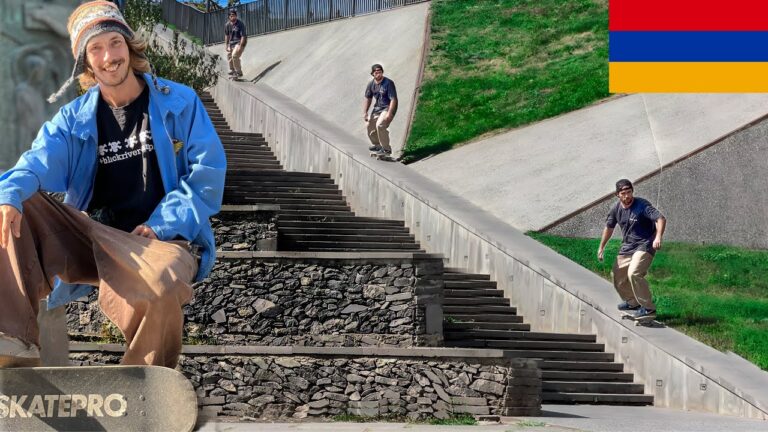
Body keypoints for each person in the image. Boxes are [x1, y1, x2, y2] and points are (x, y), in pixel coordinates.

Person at [0, 1, 225, 368]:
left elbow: (207, 176)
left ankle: (146, 382)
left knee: (162, 283)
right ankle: (10, 343)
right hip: (92, 236)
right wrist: (8, 196)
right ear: (86, 62)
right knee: (12, 205)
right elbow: (35, 163)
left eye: (115, 43)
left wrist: (161, 224)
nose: (109, 57)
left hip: (161, 239)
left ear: (129, 45)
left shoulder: (180, 103)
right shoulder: (73, 119)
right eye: (96, 48)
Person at [597, 179, 666, 320]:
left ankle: (648, 308)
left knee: (634, 273)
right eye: (623, 193)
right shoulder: (615, 209)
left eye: (629, 192)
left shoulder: (642, 205)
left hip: (645, 244)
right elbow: (609, 228)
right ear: (617, 194)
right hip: (628, 246)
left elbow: (660, 218)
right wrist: (601, 247)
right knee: (618, 276)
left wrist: (658, 237)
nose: (627, 196)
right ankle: (632, 302)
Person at [363, 64, 398, 158]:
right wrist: (365, 112)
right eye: (376, 72)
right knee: (369, 126)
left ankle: (386, 149)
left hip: (388, 107)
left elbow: (393, 99)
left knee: (380, 125)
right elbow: (368, 98)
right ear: (373, 74)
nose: (378, 74)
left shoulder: (388, 83)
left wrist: (390, 113)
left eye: (380, 71)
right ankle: (378, 146)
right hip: (378, 108)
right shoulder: (371, 84)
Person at [224, 8, 247, 79]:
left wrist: (241, 46)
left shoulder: (240, 24)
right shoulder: (227, 25)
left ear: (236, 16)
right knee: (229, 57)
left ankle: (238, 72)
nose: (232, 17)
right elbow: (227, 35)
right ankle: (233, 70)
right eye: (231, 16)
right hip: (231, 43)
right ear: (229, 17)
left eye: (234, 15)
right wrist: (226, 45)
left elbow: (243, 36)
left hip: (239, 42)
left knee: (234, 55)